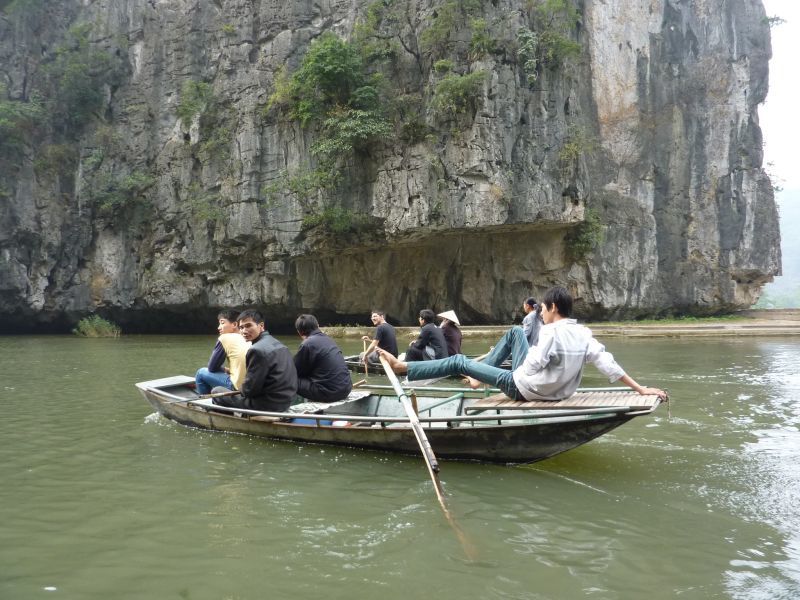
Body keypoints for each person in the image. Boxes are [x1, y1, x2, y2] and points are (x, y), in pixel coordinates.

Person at [379, 286, 668, 402]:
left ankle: (404, 367)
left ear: (553, 307)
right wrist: (640, 389)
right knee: (515, 333)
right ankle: (480, 380)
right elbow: (608, 364)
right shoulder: (583, 333)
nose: (540, 312)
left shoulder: (550, 333)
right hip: (551, 390)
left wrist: (493, 376)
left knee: (458, 362)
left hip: (524, 388)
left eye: (543, 308)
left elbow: (530, 366)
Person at [212, 309, 298, 412]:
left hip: (267, 405)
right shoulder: (279, 344)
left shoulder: (256, 350)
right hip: (287, 401)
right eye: (241, 327)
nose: (244, 331)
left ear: (261, 326)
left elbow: (249, 390)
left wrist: (240, 390)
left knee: (217, 391)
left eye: (248, 326)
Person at [293, 314, 352, 402]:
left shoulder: (307, 344)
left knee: (288, 377)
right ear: (318, 326)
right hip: (346, 389)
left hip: (328, 393)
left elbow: (295, 371)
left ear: (299, 332)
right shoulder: (329, 340)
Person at [195, 309, 250, 395]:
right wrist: (228, 370)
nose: (219, 327)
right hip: (251, 385)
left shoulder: (225, 338)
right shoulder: (249, 337)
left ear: (235, 324)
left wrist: (224, 369)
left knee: (201, 372)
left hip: (238, 386)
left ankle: (204, 404)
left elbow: (212, 367)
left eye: (222, 323)